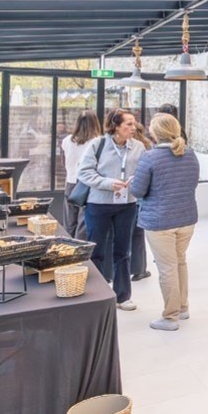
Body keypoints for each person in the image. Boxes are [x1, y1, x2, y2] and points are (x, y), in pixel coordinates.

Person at [131, 113, 200, 331]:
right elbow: (191, 183)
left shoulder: (150, 158)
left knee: (167, 269)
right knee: (179, 263)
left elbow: (137, 190)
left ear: (155, 132)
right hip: (186, 219)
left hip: (160, 222)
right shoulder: (190, 155)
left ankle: (170, 317)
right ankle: (183, 307)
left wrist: (133, 181)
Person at [79, 107, 146, 311]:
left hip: (127, 204)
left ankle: (122, 296)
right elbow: (84, 173)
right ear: (115, 126)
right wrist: (109, 183)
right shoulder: (97, 144)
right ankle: (98, 295)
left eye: (134, 123)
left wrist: (136, 181)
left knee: (122, 251)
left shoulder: (139, 147)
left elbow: (143, 172)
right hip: (98, 204)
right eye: (129, 124)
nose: (133, 127)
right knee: (97, 250)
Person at [60, 110, 100, 239]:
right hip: (87, 184)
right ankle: (80, 251)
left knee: (69, 221)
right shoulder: (98, 141)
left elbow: (64, 160)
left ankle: (66, 248)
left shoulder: (66, 140)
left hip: (70, 182)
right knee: (83, 222)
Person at [128, 120, 155, 282]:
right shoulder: (148, 147)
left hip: (124, 195)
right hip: (140, 198)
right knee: (137, 235)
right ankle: (139, 269)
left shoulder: (128, 148)